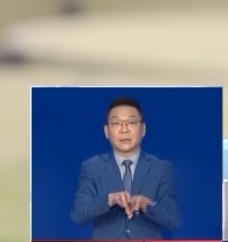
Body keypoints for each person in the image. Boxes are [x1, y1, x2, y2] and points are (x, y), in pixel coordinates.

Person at [71, 96, 181, 239]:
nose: (124, 129)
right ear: (106, 131)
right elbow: (78, 214)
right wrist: (109, 200)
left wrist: (148, 205)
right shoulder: (92, 167)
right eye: (116, 123)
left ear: (143, 129)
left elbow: (173, 219)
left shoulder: (161, 168)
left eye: (131, 122)